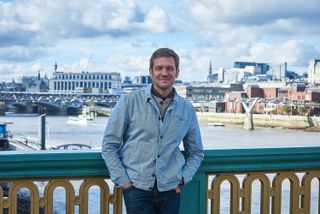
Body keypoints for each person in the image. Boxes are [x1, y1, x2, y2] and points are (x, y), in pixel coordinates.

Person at [101, 48, 204, 214]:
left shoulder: (187, 108)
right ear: (151, 72)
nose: (164, 73)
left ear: (177, 72)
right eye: (159, 68)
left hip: (171, 189)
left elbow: (196, 152)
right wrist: (124, 181)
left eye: (170, 68)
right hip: (136, 188)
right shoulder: (129, 101)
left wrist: (184, 178)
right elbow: (109, 146)